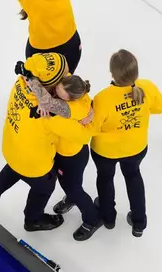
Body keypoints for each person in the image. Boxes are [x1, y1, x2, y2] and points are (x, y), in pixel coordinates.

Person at [0, 52, 95, 232]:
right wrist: (88, 116)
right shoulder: (49, 115)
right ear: (50, 85)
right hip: (35, 164)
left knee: (12, 169)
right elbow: (83, 137)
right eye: (63, 75)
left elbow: (44, 84)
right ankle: (33, 220)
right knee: (44, 188)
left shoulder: (20, 82)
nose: (68, 74)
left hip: (12, 146)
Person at [90, 49, 162, 238]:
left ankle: (108, 218)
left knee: (105, 179)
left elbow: (92, 127)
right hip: (136, 147)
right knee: (133, 177)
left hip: (105, 151)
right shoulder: (147, 87)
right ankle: (139, 221)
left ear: (112, 74)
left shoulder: (102, 99)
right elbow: (160, 107)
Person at [25, 74, 102, 241]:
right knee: (72, 186)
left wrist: (44, 109)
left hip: (70, 158)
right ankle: (71, 198)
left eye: (59, 95)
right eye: (57, 88)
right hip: (66, 153)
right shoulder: (79, 92)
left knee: (73, 188)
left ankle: (92, 218)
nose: (54, 94)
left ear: (69, 100)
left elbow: (83, 136)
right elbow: (50, 97)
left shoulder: (60, 120)